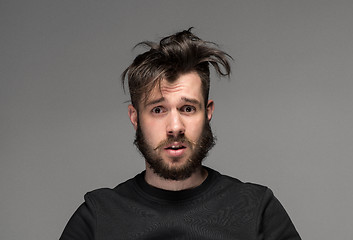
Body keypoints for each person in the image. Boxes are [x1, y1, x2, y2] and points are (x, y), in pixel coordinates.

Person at [60, 29, 301, 240]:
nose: (175, 126)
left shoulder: (257, 209)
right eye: (158, 109)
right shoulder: (98, 216)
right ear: (135, 118)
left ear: (207, 113)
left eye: (187, 108)